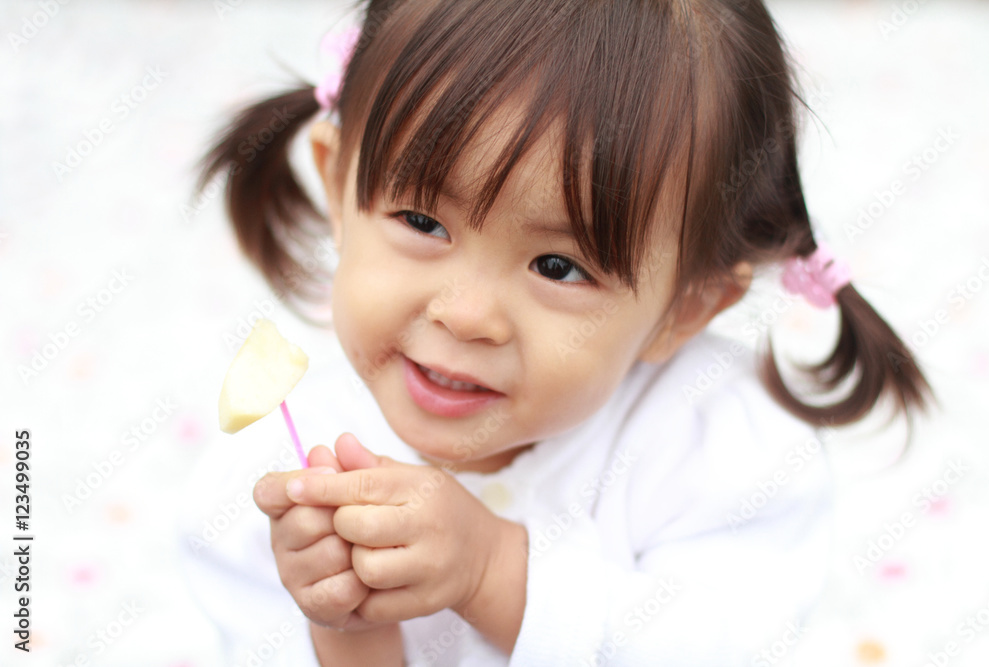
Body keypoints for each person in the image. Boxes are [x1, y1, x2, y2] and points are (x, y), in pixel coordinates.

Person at [179, 1, 931, 664]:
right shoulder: (279, 465)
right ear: (338, 188)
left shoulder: (721, 450)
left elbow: (722, 642)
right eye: (422, 221)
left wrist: (496, 573)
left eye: (557, 266)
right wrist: (345, 628)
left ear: (685, 309)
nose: (465, 313)